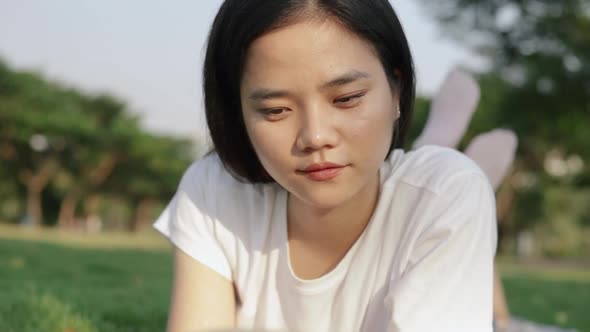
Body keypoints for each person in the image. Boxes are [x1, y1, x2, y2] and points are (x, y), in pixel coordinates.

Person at [153, 1, 497, 331]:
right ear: (238, 113)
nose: (315, 137)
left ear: (397, 90)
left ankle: (436, 141)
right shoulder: (215, 189)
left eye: (346, 98)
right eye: (275, 110)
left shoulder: (445, 190)